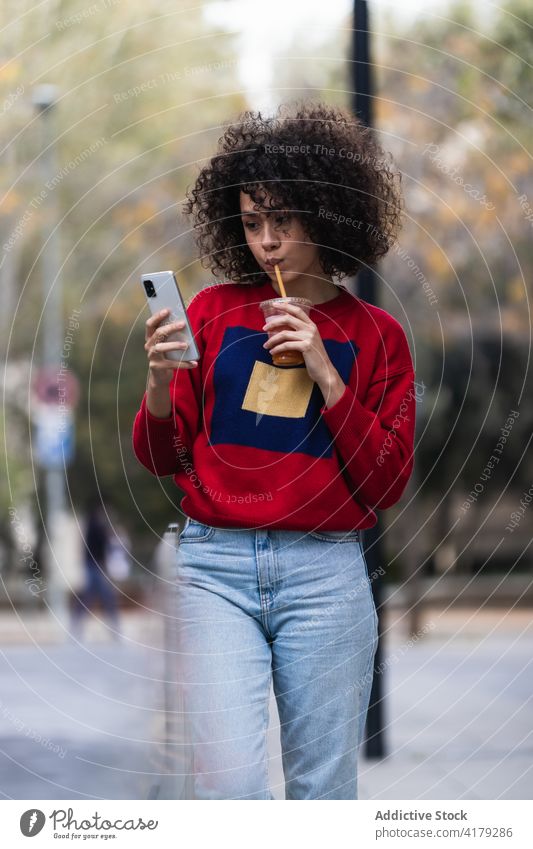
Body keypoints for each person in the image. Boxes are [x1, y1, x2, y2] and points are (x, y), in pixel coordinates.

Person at [132, 101, 416, 799]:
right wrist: (160, 381)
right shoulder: (212, 312)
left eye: (281, 221)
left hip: (325, 573)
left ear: (324, 214)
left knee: (321, 790)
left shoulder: (377, 337)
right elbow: (163, 457)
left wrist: (323, 368)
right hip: (213, 569)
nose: (266, 242)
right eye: (252, 222)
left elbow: (384, 482)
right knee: (227, 787)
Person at [70, 499, 121, 641]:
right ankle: (114, 628)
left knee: (95, 597)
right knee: (103, 597)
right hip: (95, 566)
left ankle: (77, 626)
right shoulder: (96, 525)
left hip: (94, 566)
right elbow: (102, 545)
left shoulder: (94, 524)